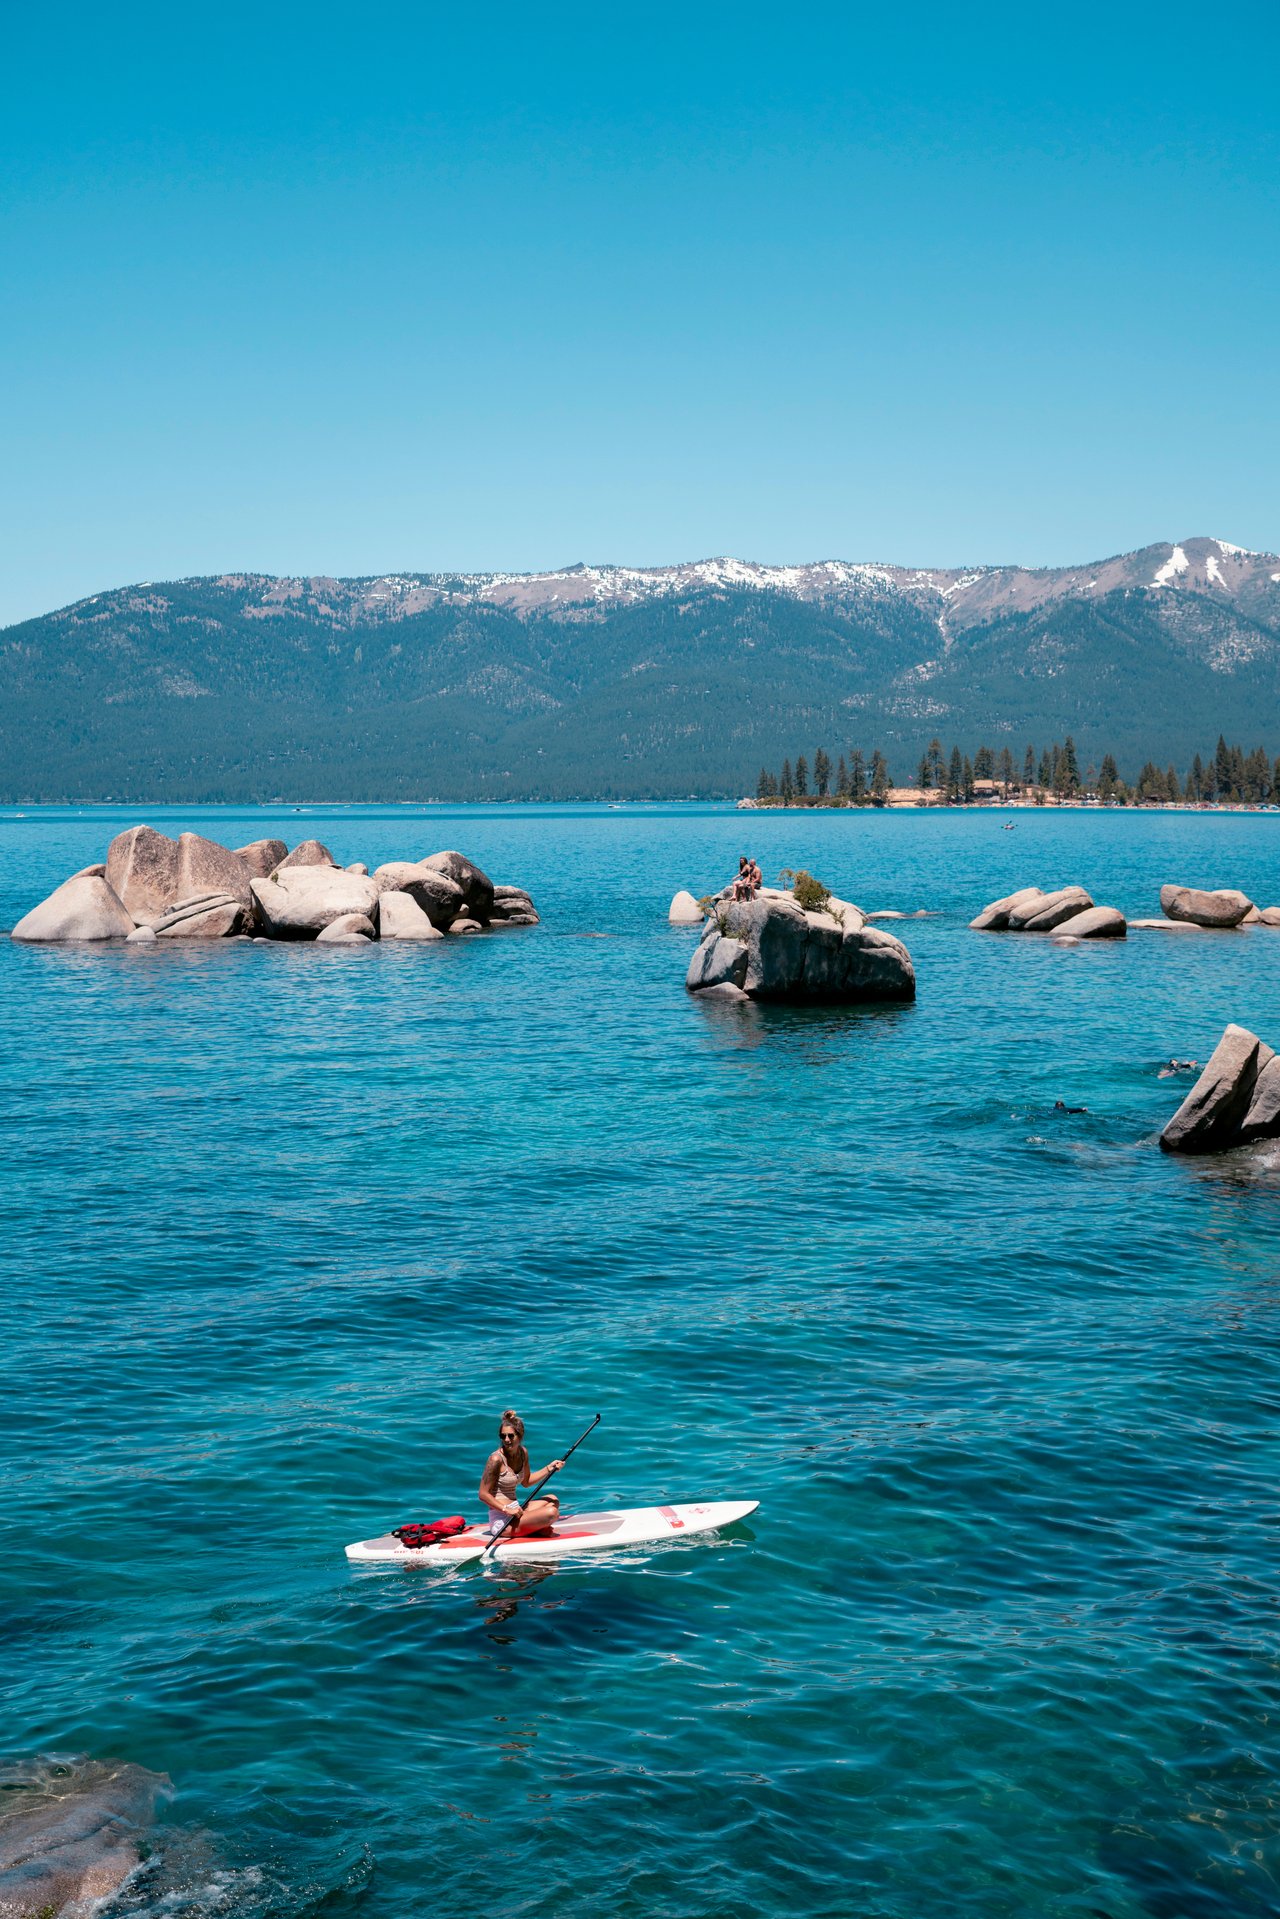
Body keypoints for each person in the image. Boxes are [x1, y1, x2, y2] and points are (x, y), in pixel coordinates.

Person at [479, 1411, 565, 1538]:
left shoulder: (522, 1453)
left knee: (553, 1500)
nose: (506, 1440)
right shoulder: (496, 1459)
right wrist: (506, 1509)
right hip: (503, 1520)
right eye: (503, 1436)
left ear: (520, 1436)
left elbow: (526, 1481)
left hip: (517, 1510)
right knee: (552, 1513)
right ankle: (535, 1528)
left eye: (510, 1436)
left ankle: (532, 1527)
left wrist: (549, 1468)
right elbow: (483, 1494)